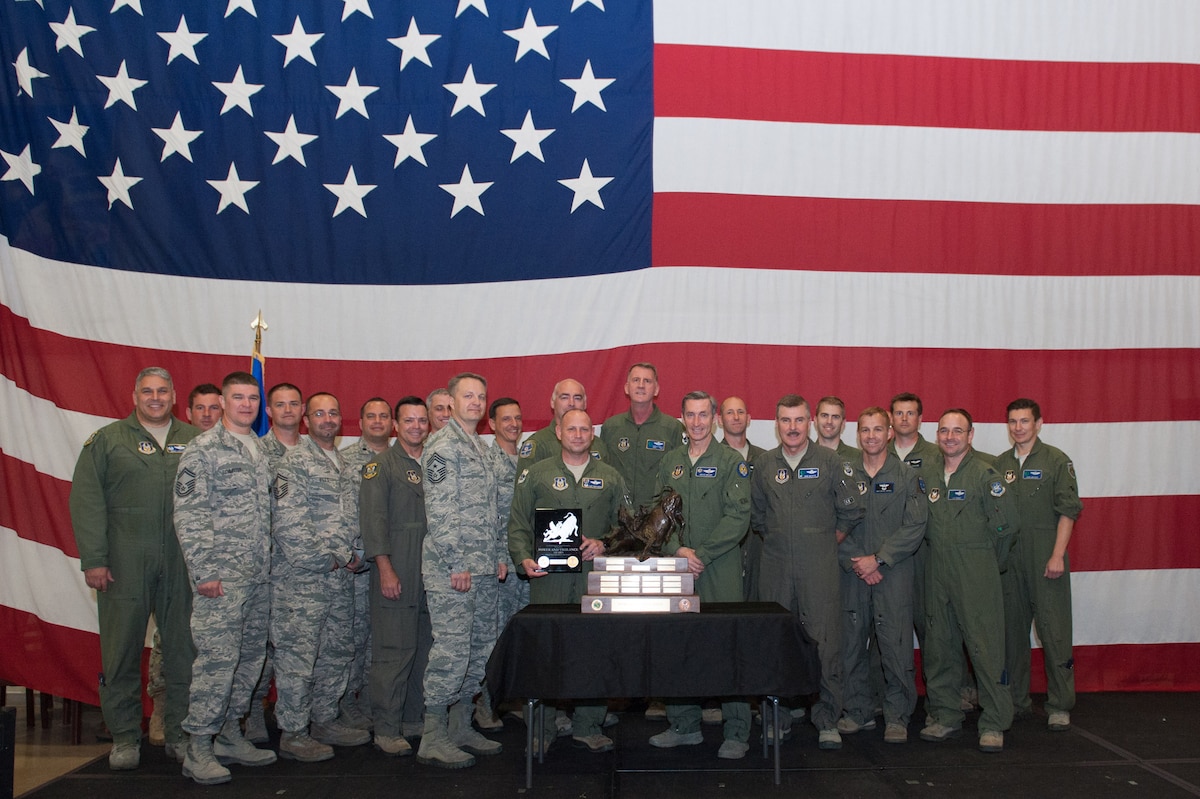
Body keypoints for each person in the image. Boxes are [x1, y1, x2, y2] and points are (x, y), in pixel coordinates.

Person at [69, 367, 199, 770]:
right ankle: (125, 736)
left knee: (184, 651)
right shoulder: (107, 441)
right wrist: (95, 560)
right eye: (148, 391)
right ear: (134, 396)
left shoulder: (194, 441)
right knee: (121, 651)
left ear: (174, 396)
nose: (155, 397)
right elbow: (86, 502)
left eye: (162, 391)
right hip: (124, 561)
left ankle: (179, 733)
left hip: (182, 561)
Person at [509, 409, 632, 754]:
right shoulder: (536, 474)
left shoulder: (610, 477)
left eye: (584, 429)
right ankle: (543, 728)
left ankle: (587, 724)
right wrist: (523, 558)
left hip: (594, 580)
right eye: (571, 429)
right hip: (549, 580)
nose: (577, 435)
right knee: (547, 653)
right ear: (559, 432)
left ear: (591, 435)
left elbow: (627, 527)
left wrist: (605, 542)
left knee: (593, 651)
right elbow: (518, 523)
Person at [173, 372, 277, 784]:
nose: (247, 404)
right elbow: (189, 513)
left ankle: (230, 735)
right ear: (222, 401)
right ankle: (198, 746)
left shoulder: (259, 450)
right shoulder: (203, 450)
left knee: (250, 661)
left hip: (257, 578)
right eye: (238, 397)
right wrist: (205, 572)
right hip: (222, 579)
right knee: (217, 662)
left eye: (253, 397)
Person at [750, 394, 864, 750]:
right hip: (776, 566)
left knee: (825, 641)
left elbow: (852, 508)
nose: (793, 427)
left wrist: (823, 540)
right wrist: (786, 539)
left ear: (809, 423)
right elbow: (757, 516)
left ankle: (827, 717)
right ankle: (777, 716)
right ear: (777, 424)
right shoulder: (765, 465)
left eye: (799, 420)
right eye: (786, 420)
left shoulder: (831, 462)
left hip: (820, 567)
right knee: (775, 642)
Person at [648, 391, 753, 760]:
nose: (697, 422)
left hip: (719, 568)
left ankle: (738, 730)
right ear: (682, 418)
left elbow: (739, 517)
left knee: (727, 647)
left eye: (703, 415)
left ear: (715, 419)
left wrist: (701, 554)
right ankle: (683, 725)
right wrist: (677, 549)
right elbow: (658, 514)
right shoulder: (670, 462)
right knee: (680, 646)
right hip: (677, 567)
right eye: (690, 415)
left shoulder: (730, 462)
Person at [271, 393, 371, 762]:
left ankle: (324, 719)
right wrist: (327, 559)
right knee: (299, 655)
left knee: (336, 651)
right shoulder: (294, 462)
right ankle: (294, 731)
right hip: (304, 582)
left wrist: (357, 554)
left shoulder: (344, 464)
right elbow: (289, 522)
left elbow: (355, 518)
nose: (327, 419)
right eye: (319, 413)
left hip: (342, 579)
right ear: (306, 420)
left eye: (333, 412)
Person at [417, 372, 506, 769]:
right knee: (452, 649)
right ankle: (433, 735)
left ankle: (461, 725)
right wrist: (456, 562)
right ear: (451, 403)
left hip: (485, 567)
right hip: (453, 569)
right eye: (467, 396)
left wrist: (500, 553)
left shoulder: (484, 449)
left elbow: (496, 510)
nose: (475, 402)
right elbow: (439, 509)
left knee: (479, 647)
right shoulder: (442, 445)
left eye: (480, 396)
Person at [919, 409, 1017, 753]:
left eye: (957, 431)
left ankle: (993, 721)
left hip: (976, 570)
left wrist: (987, 566)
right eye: (944, 431)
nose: (950, 437)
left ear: (970, 435)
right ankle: (946, 715)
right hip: (938, 568)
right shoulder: (929, 473)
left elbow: (1006, 528)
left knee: (984, 647)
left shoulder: (985, 475)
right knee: (939, 645)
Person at [838, 408, 926, 744]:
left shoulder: (906, 477)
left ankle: (897, 716)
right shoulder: (844, 476)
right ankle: (857, 711)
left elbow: (915, 526)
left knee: (895, 647)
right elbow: (834, 526)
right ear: (857, 434)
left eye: (878, 429)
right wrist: (858, 562)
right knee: (851, 645)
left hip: (893, 574)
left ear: (889, 433)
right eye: (865, 430)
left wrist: (880, 559)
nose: (871, 436)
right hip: (852, 573)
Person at [995, 399, 1082, 731]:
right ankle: (1017, 701)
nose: (1018, 427)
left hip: (1046, 558)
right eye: (1013, 421)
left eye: (1024, 421)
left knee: (1054, 630)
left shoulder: (1056, 460)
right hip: (1010, 562)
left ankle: (1060, 703)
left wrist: (1058, 553)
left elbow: (1069, 510)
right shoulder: (1000, 464)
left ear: (1039, 424)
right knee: (1012, 634)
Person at [361, 396, 434, 756]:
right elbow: (373, 523)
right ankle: (387, 728)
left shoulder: (434, 464)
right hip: (398, 569)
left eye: (422, 421)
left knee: (422, 647)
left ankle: (412, 718)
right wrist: (385, 569)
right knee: (393, 651)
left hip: (429, 571)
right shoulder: (381, 467)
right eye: (409, 421)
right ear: (396, 425)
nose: (417, 426)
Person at [245, 381, 305, 742]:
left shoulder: (313, 454)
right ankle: (252, 716)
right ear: (268, 411)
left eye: (293, 404)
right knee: (257, 651)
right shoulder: (256, 452)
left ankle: (294, 726)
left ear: (302, 411)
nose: (287, 410)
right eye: (279, 404)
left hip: (300, 574)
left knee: (296, 651)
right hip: (262, 569)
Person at [337, 398, 395, 732]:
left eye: (383, 416)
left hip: (392, 561)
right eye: (370, 416)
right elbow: (346, 513)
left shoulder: (402, 459)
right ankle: (348, 703)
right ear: (359, 422)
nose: (377, 421)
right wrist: (353, 554)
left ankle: (376, 702)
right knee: (354, 638)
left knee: (382, 639)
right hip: (358, 565)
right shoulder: (346, 461)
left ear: (393, 422)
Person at [475, 397, 527, 731]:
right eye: (505, 419)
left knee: (520, 633)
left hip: (525, 563)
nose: (513, 424)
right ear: (491, 423)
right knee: (491, 635)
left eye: (518, 418)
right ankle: (484, 703)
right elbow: (483, 516)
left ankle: (517, 698)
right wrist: (495, 556)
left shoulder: (528, 460)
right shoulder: (485, 461)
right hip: (499, 565)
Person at [599, 363, 686, 513]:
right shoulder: (611, 427)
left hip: (657, 518)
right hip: (617, 516)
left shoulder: (672, 428)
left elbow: (678, 477)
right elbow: (603, 473)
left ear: (656, 389)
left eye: (647, 381)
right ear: (627, 387)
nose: (641, 385)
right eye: (636, 380)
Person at [720, 396, 767, 602]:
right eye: (729, 412)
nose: (736, 417)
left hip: (759, 542)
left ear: (748, 419)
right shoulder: (713, 458)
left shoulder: (766, 459)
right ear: (720, 420)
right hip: (725, 539)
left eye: (740, 412)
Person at [518, 378, 609, 468]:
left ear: (585, 404)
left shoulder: (597, 444)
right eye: (565, 397)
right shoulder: (538, 444)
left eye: (577, 398)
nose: (571, 403)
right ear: (552, 403)